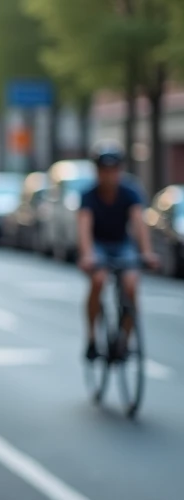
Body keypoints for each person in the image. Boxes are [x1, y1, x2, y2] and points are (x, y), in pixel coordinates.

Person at [76, 142, 158, 360]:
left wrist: (147, 252)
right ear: (97, 171)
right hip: (98, 245)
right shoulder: (89, 195)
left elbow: (138, 222)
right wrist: (87, 254)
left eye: (114, 170)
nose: (109, 175)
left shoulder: (130, 192)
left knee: (131, 285)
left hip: (123, 245)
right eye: (104, 170)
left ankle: (124, 340)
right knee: (98, 280)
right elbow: (84, 226)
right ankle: (92, 337)